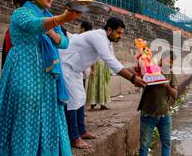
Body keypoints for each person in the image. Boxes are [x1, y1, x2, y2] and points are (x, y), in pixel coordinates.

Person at [0, 0, 82, 156]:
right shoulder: (21, 13)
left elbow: (63, 43)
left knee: (44, 116)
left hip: (44, 76)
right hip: (23, 70)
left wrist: (54, 28)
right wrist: (63, 18)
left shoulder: (47, 17)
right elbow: (34, 25)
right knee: (25, 117)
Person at [60, 17, 145, 149]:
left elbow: (114, 64)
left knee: (81, 98)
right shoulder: (98, 37)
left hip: (75, 69)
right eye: (118, 33)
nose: (120, 36)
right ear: (109, 29)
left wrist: (137, 69)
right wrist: (133, 79)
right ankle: (74, 137)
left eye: (122, 34)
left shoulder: (107, 42)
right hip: (65, 65)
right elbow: (112, 62)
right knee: (73, 100)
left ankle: (82, 131)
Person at [137, 50, 180, 156]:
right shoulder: (151, 70)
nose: (167, 62)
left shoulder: (171, 75)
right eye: (165, 59)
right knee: (144, 146)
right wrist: (143, 70)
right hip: (147, 115)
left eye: (170, 61)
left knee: (167, 144)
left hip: (165, 115)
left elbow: (175, 94)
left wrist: (166, 85)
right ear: (161, 60)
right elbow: (140, 81)